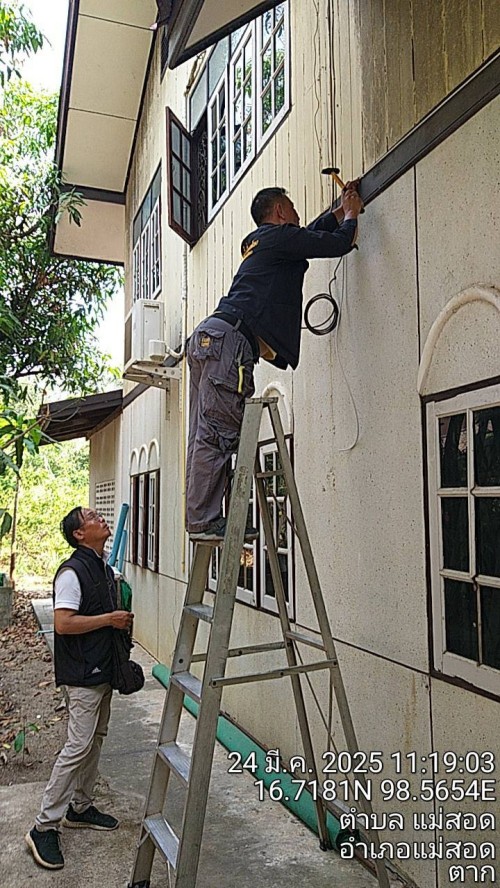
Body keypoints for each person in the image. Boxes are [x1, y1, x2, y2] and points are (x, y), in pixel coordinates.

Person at [186, 183, 364, 542]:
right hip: (229, 342)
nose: (297, 214)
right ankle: (204, 520)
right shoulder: (279, 238)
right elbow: (335, 244)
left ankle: (202, 516)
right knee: (218, 433)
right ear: (280, 211)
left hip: (211, 339)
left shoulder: (263, 243)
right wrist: (350, 215)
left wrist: (338, 211)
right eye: (292, 207)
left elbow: (308, 236)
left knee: (205, 432)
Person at [25, 507, 134, 870]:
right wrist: (109, 619)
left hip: (103, 669)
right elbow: (63, 624)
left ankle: (81, 807)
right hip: (82, 674)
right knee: (77, 746)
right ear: (79, 534)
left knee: (95, 739)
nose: (100, 517)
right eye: (91, 517)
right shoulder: (72, 572)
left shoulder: (102, 567)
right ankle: (43, 826)